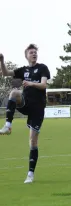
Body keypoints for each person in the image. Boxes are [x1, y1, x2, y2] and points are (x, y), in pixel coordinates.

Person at [0, 44, 51, 183]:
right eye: (31, 52)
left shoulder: (43, 68)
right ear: (26, 55)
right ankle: (8, 125)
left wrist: (31, 83)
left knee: (33, 142)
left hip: (38, 108)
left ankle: (30, 174)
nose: (34, 54)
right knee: (14, 92)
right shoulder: (23, 70)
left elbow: (44, 85)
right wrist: (2, 61)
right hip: (26, 103)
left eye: (35, 52)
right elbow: (5, 73)